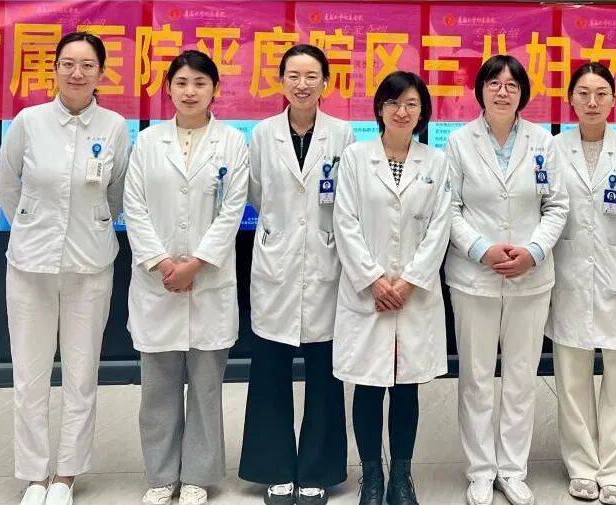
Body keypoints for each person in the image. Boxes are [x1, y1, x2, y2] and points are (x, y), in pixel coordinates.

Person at [0, 31, 130, 505]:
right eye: (68, 63)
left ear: (100, 73)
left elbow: (116, 191)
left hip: (90, 265)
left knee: (81, 372)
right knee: (29, 374)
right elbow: (5, 183)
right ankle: (35, 474)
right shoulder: (29, 122)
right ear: (53, 68)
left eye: (88, 65)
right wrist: (31, 224)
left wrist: (92, 225)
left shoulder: (114, 126)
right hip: (29, 265)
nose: (77, 73)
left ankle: (67, 474)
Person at [123, 50, 248, 505]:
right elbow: (133, 206)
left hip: (208, 280)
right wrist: (162, 263)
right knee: (158, 385)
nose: (190, 91)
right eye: (181, 83)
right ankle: (161, 475)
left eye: (200, 83)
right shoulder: (147, 142)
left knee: (206, 384)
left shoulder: (233, 142)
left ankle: (198, 474)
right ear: (169, 89)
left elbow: (233, 209)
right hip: (157, 280)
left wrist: (196, 263)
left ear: (215, 89)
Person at [443, 55, 568, 505]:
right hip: (473, 276)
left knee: (520, 376)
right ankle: (480, 470)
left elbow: (557, 205)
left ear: (522, 93)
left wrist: (533, 251)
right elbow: (449, 208)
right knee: (476, 377)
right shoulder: (459, 142)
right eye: (494, 83)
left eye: (512, 85)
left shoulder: (543, 142)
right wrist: (481, 248)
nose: (502, 91)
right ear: (480, 89)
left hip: (530, 279)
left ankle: (512, 470)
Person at [239, 44, 355, 505]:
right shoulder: (263, 134)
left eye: (311, 76)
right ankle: (274, 468)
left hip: (326, 263)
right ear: (281, 81)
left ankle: (318, 471)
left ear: (325, 82)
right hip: (277, 263)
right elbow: (255, 192)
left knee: (326, 376)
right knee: (270, 372)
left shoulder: (342, 134)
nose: (302, 84)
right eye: (293, 76)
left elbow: (347, 198)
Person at [332, 71, 451, 505]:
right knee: (367, 386)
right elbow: (344, 222)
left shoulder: (435, 162)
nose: (402, 111)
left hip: (413, 296)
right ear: (380, 109)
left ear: (422, 113)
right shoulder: (355, 158)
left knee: (405, 388)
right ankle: (372, 477)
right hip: (368, 292)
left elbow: (440, 227)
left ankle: (401, 477)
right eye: (394, 103)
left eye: (412, 104)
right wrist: (374, 280)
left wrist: (410, 281)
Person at [545, 62, 616, 505]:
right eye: (583, 93)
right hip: (569, 274)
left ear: (614, 99)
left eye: (601, 94)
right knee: (571, 374)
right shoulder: (553, 148)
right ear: (570, 100)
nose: (592, 102)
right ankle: (581, 466)